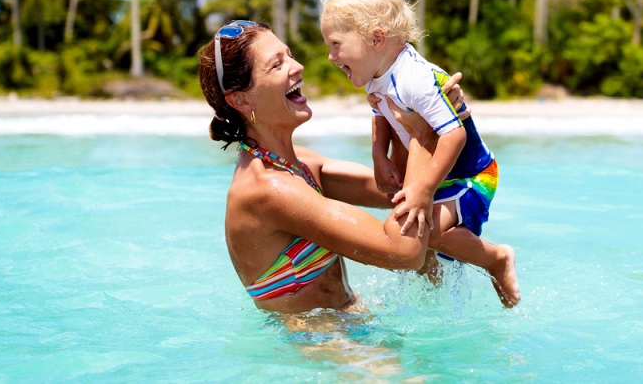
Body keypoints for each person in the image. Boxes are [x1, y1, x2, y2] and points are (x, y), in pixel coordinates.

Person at [199, 19, 464, 313]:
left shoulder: (298, 163)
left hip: (348, 323)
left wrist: (423, 108)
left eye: (289, 54)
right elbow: (404, 252)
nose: (297, 66)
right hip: (315, 343)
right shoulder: (267, 189)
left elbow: (400, 189)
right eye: (276, 65)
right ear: (241, 99)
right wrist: (424, 132)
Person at [320, 0, 521, 308]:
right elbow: (380, 113)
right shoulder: (375, 77)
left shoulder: (415, 78)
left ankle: (496, 260)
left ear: (376, 38)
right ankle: (438, 300)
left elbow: (453, 134)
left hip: (472, 175)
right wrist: (378, 155)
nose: (329, 56)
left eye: (336, 44)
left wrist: (424, 190)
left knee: (427, 234)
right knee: (420, 244)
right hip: (440, 174)